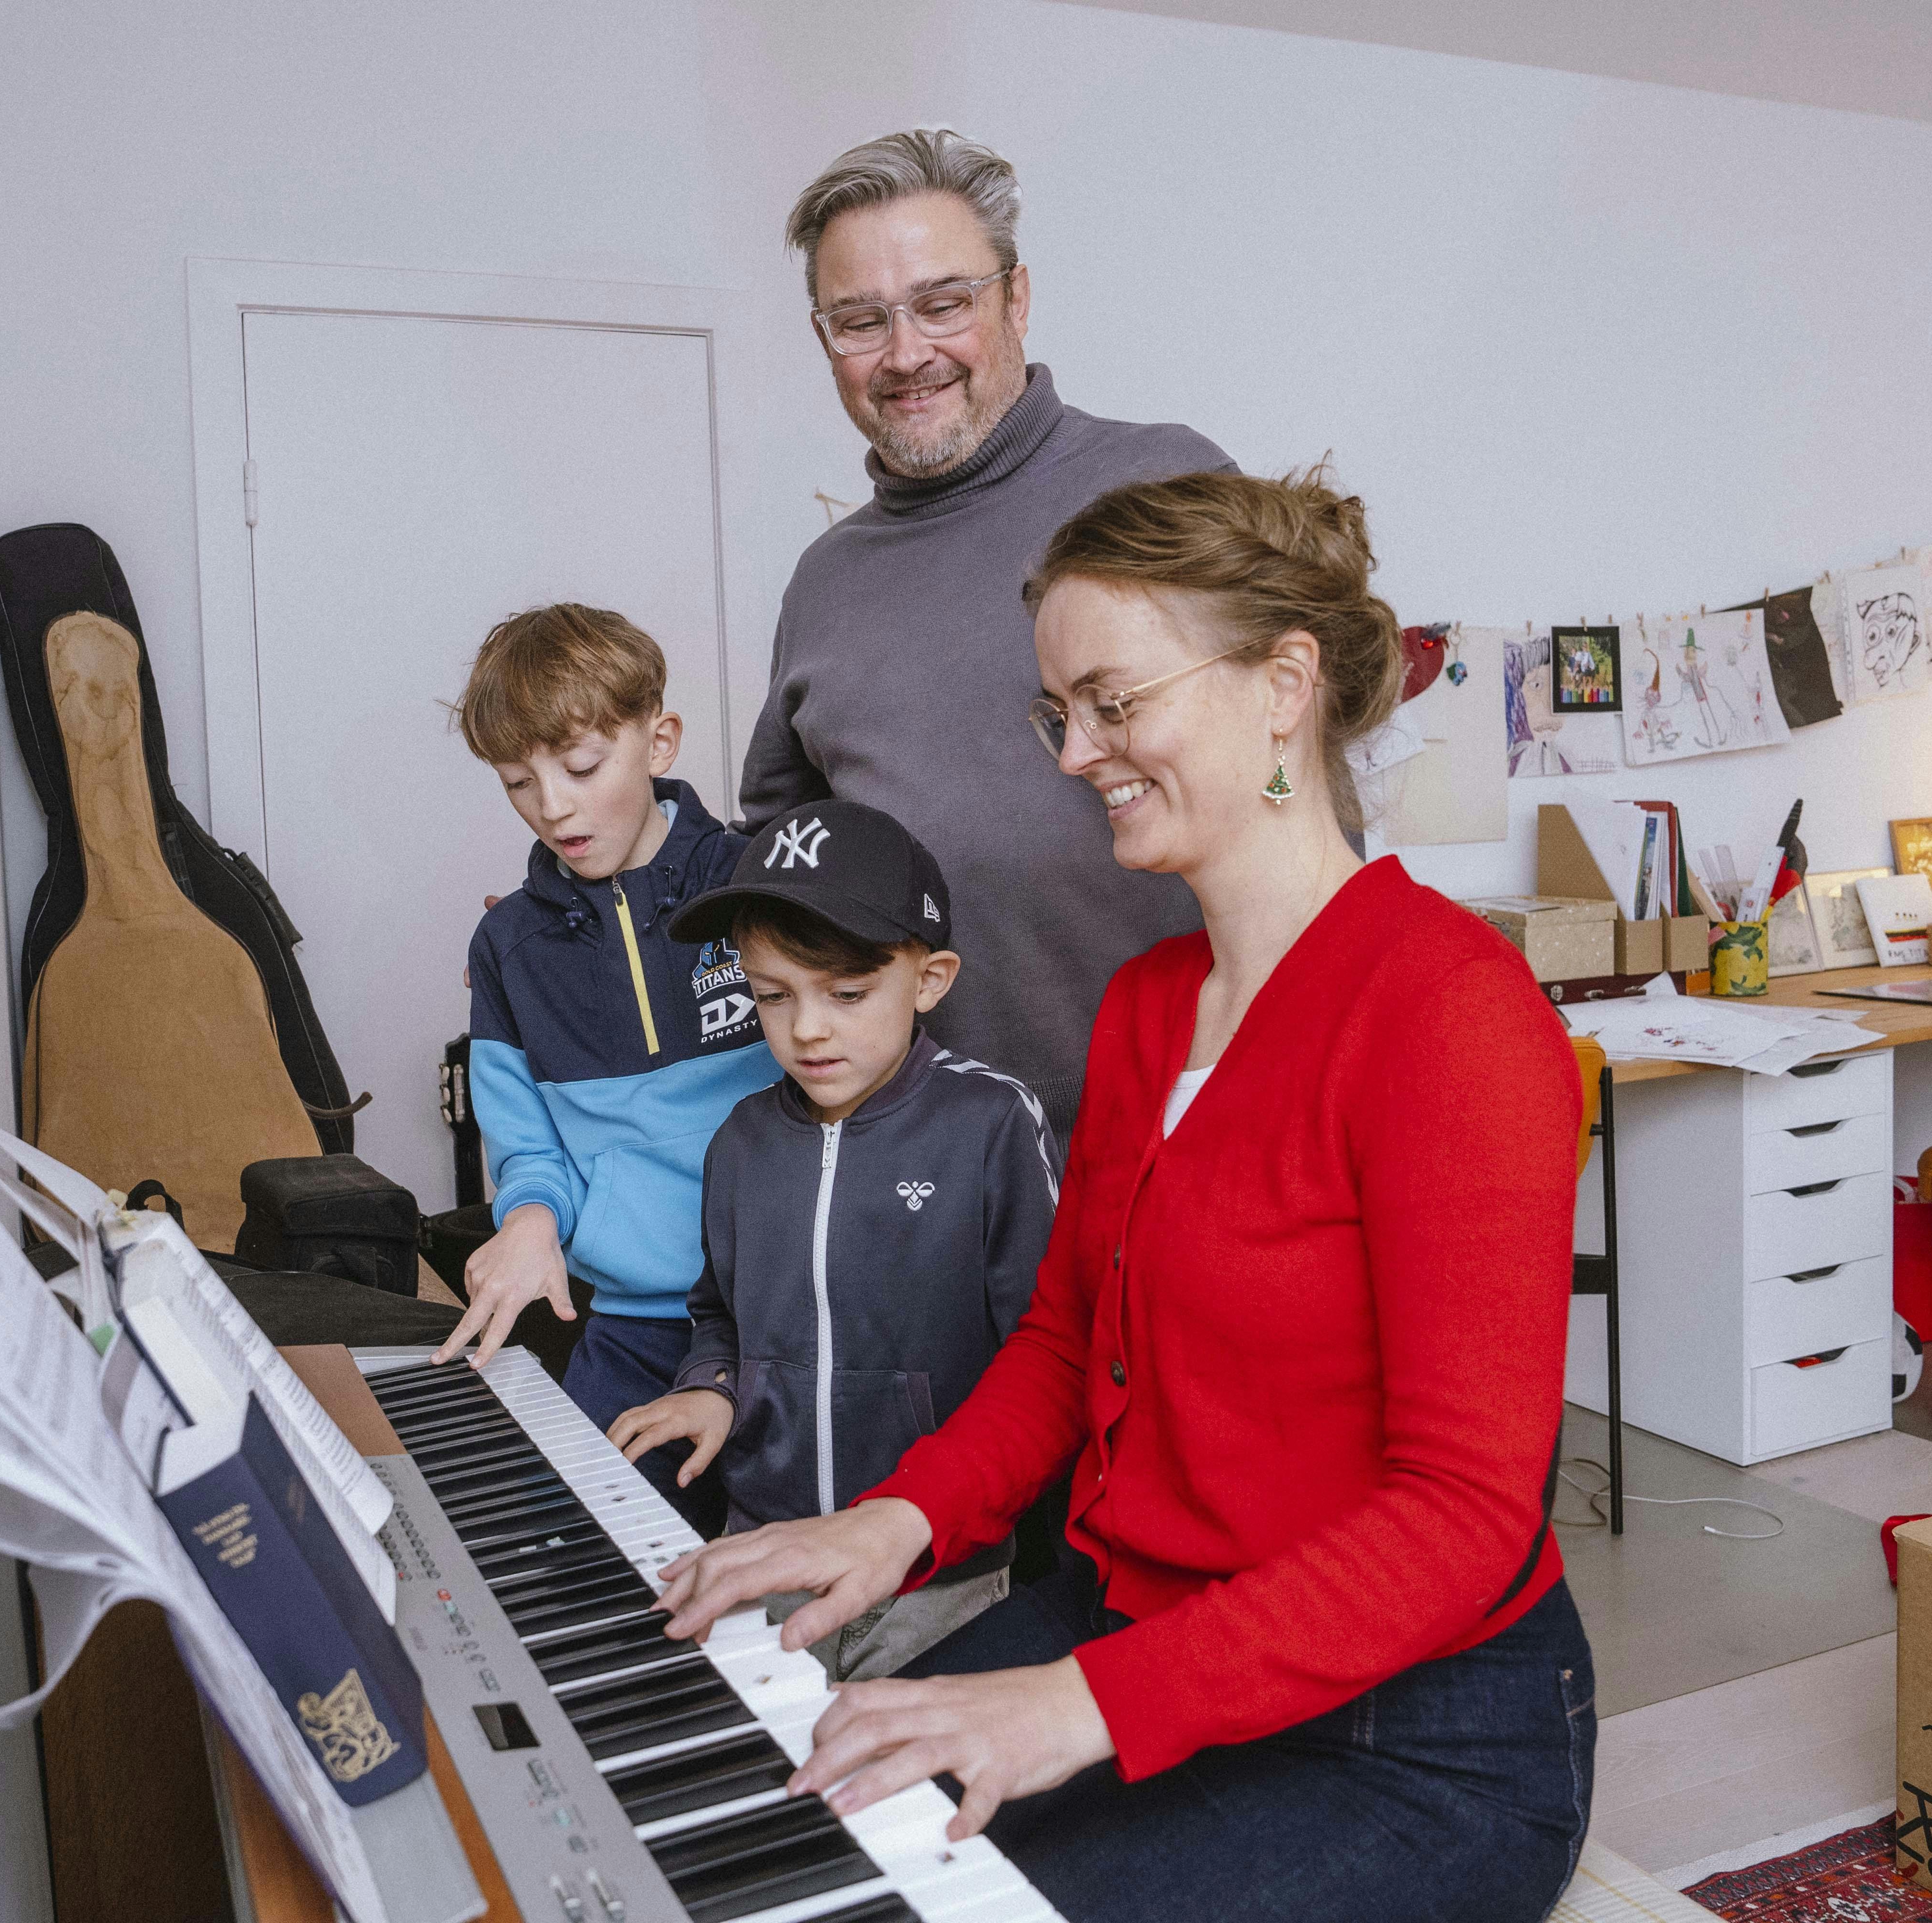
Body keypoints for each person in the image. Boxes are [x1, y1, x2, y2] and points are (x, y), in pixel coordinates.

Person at [651, 470, 1593, 1923]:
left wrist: (1074, 1707)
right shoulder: (1152, 1003)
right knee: (775, 1843)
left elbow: (1465, 1517)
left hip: (1409, 1738)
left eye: (1113, 703)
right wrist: (892, 1527)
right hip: (1132, 1628)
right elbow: (1062, 1338)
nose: (1077, 752)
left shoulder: (1451, 1015)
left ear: (1283, 687)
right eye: (1059, 715)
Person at [741, 127, 1237, 1141]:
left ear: (1014, 299)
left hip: (1192, 1139)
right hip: (933, 1181)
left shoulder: (1167, 489)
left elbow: (1305, 789)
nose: (906, 353)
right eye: (860, 321)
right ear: (822, 338)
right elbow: (779, 864)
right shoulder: (823, 583)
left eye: (942, 302)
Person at [605, 800, 1059, 1680]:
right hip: (763, 1553)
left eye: (847, 994)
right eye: (772, 996)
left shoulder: (992, 1122)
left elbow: (1047, 1352)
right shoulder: (740, 1141)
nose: (807, 1028)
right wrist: (714, 1390)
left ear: (929, 979)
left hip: (937, 1580)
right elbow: (719, 1319)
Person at [439, 605, 781, 1529]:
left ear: (659, 740)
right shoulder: (509, 947)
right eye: (519, 783)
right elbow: (528, 1148)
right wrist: (531, 1223)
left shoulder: (763, 884)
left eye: (583, 768)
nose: (553, 806)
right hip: (631, 1326)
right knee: (584, 1553)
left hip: (789, 1312)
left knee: (787, 1577)